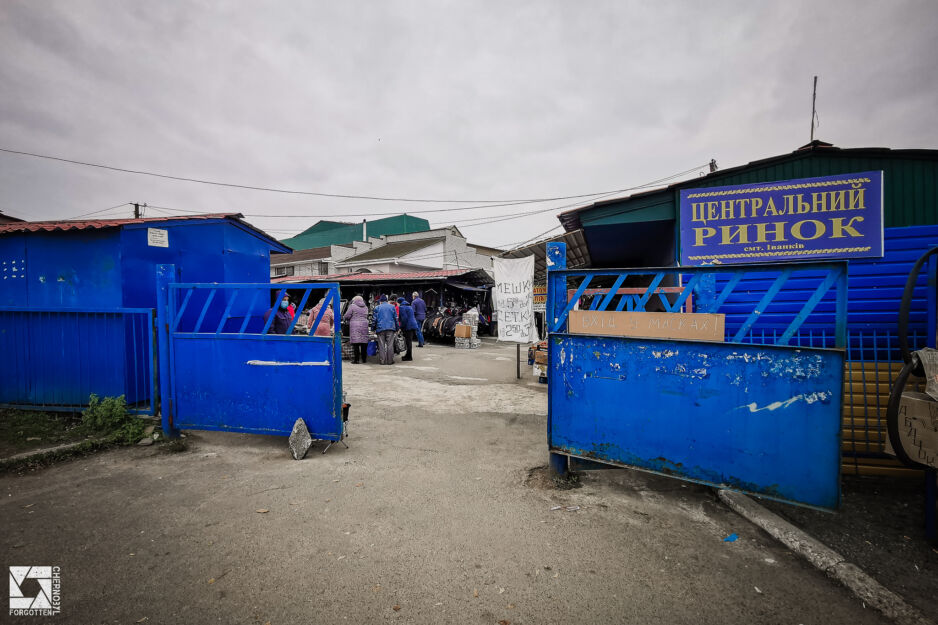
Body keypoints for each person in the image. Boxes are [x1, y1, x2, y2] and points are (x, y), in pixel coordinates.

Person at [343, 295, 370, 364]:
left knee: (356, 343)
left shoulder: (352, 306)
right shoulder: (366, 307)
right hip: (364, 325)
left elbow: (347, 315)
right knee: (364, 343)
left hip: (355, 325)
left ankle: (356, 360)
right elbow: (366, 315)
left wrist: (347, 318)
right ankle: (364, 359)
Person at [373, 295, 399, 365]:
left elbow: (374, 320)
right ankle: (390, 361)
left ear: (380, 301)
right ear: (386, 300)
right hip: (390, 328)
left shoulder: (377, 308)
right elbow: (396, 319)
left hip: (380, 328)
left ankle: (382, 361)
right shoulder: (392, 307)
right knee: (390, 345)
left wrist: (373, 328)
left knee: (381, 345)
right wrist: (397, 328)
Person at [397, 297, 419, 361]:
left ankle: (409, 357)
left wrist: (401, 327)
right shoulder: (409, 306)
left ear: (399, 302)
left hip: (408, 326)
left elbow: (404, 319)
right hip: (413, 325)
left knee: (408, 342)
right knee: (409, 341)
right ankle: (408, 355)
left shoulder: (402, 307)